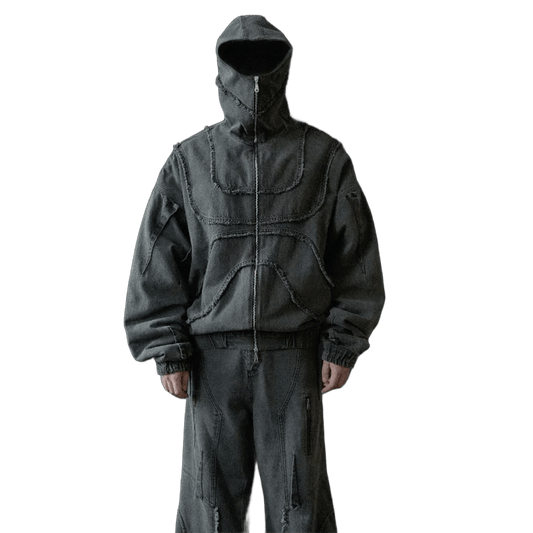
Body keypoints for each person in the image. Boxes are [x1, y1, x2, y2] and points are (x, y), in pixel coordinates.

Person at [123, 13, 386, 533]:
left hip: (297, 357)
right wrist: (165, 346)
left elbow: (358, 258)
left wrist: (343, 343)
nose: (255, 76)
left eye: (267, 61)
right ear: (221, 70)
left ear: (285, 67)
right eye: (241, 62)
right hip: (211, 362)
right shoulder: (190, 160)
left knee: (299, 506)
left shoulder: (325, 156)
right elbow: (157, 258)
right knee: (210, 509)